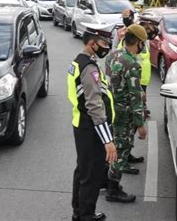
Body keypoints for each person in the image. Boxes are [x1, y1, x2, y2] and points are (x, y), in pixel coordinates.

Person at [67, 23, 118, 221]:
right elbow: (95, 106)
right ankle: (86, 216)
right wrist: (108, 141)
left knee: (82, 171)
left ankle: (79, 212)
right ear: (91, 42)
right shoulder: (89, 68)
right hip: (91, 128)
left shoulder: (79, 62)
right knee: (91, 175)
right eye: (103, 42)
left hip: (82, 124)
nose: (107, 45)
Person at [105, 24, 148, 203]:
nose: (143, 47)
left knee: (116, 146)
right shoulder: (132, 64)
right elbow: (135, 97)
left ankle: (107, 182)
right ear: (137, 42)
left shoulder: (113, 55)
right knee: (120, 153)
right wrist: (140, 124)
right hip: (125, 115)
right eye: (143, 44)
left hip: (112, 110)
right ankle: (113, 190)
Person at [114, 12, 161, 172]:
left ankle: (126, 155)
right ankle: (120, 166)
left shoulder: (117, 54)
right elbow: (133, 98)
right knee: (124, 135)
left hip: (137, 85)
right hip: (129, 93)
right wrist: (141, 124)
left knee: (124, 135)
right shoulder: (129, 55)